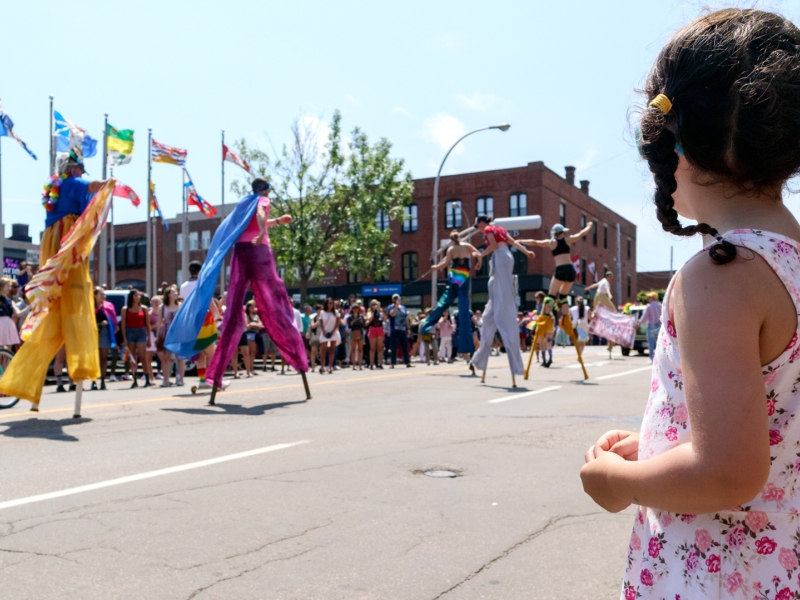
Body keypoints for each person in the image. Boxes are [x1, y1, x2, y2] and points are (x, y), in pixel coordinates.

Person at [580, 9, 800, 598]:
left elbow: (727, 470)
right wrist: (656, 451)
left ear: (675, 145)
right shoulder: (789, 264)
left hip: (718, 576)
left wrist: (619, 479)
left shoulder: (722, 275)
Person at [165, 178, 308, 393]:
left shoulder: (243, 205)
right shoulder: (261, 200)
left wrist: (276, 222)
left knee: (233, 311)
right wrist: (261, 233)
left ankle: (214, 377)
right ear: (265, 191)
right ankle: (297, 356)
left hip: (240, 254)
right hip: (259, 252)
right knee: (275, 303)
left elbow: (255, 220)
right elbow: (260, 214)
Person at [0, 149, 110, 408]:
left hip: (53, 244)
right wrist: (109, 183)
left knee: (56, 310)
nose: (82, 174)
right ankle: (77, 374)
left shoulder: (57, 188)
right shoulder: (72, 183)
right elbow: (91, 186)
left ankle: (29, 387)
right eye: (80, 169)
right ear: (73, 169)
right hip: (67, 246)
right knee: (75, 299)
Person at [469, 216, 535, 381]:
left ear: (482, 223)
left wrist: (480, 255)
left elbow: (493, 246)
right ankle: (498, 303)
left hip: (500, 256)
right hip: (507, 256)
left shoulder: (489, 230)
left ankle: (500, 304)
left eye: (478, 225)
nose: (478, 228)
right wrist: (526, 252)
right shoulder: (502, 230)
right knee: (500, 287)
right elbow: (513, 242)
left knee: (501, 289)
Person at [421, 231, 482, 361]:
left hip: (454, 273)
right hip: (464, 274)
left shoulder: (451, 248)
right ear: (459, 237)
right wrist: (479, 262)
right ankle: (466, 347)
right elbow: (478, 253)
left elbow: (445, 264)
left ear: (451, 239)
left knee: (445, 300)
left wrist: (435, 267)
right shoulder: (467, 246)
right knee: (464, 306)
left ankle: (426, 325)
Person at [520, 222, 592, 300]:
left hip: (561, 269)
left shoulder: (551, 243)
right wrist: (589, 226)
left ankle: (546, 312)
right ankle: (565, 312)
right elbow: (581, 234)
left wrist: (520, 241)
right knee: (563, 296)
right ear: (563, 232)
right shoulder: (568, 240)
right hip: (571, 269)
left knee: (551, 295)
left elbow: (534, 242)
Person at [180, 260, 220, 389]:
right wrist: (217, 315)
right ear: (201, 270)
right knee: (211, 353)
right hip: (204, 319)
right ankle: (215, 380)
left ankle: (203, 380)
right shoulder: (202, 283)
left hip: (190, 322)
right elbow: (209, 302)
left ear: (189, 271)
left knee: (200, 354)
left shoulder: (183, 286)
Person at [121, 290, 153, 388]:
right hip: (130, 332)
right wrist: (124, 338)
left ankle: (147, 378)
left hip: (141, 332)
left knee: (143, 357)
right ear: (131, 297)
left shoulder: (144, 308)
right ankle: (135, 379)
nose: (138, 297)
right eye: (136, 295)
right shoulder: (125, 309)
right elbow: (123, 325)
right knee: (133, 359)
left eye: (139, 295)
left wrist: (149, 339)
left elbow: (147, 324)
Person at [157, 285, 186, 387]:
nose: (176, 293)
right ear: (168, 294)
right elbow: (159, 321)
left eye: (176, 292)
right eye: (173, 292)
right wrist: (157, 336)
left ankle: (180, 379)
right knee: (166, 357)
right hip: (166, 332)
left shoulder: (180, 305)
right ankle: (166, 380)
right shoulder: (162, 307)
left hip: (178, 332)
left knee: (180, 357)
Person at [585, 271, 616, 356]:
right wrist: (609, 295)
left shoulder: (602, 280)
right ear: (608, 276)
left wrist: (589, 287)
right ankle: (612, 316)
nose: (611, 278)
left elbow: (596, 285)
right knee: (613, 309)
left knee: (597, 310)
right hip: (602, 297)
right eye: (610, 276)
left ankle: (594, 315)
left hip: (596, 297)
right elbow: (607, 289)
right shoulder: (606, 282)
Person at [92, 287, 117, 391]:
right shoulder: (90, 306)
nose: (103, 296)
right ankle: (93, 381)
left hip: (104, 333)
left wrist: (107, 323)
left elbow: (114, 320)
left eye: (104, 294)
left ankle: (102, 381)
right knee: (94, 359)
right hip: (92, 334)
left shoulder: (109, 306)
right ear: (95, 295)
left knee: (103, 358)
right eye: (101, 294)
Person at [388, 293, 414, 369]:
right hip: (394, 330)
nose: (397, 300)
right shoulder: (390, 307)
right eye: (395, 298)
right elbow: (392, 314)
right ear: (393, 300)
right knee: (394, 347)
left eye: (398, 298)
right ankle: (392, 363)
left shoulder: (403, 307)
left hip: (402, 330)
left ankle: (407, 362)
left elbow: (406, 319)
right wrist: (396, 306)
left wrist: (408, 328)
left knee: (405, 347)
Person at [317, 297, 341, 374]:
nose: (331, 304)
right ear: (326, 304)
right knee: (323, 350)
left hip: (333, 332)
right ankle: (322, 366)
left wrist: (333, 331)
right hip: (325, 332)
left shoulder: (336, 312)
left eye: (332, 303)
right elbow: (320, 322)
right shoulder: (322, 312)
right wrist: (323, 331)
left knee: (332, 350)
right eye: (329, 303)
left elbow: (337, 323)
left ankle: (330, 366)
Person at [638, 292, 662, 363]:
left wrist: (639, 323)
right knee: (659, 343)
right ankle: (660, 359)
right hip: (659, 326)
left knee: (651, 343)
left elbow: (644, 318)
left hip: (651, 326)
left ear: (652, 298)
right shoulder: (660, 305)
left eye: (649, 297)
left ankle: (652, 359)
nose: (648, 299)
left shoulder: (649, 306)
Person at [0, 278, 21, 347]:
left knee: (9, 347)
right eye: (7, 286)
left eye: (10, 286)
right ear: (2, 286)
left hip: (9, 324)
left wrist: (29, 306)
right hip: (1, 324)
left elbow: (18, 313)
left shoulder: (10, 301)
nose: (9, 288)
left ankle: (6, 358)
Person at [366, 300, 385, 369]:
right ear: (371, 306)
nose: (374, 306)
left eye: (376, 304)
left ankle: (380, 363)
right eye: (373, 304)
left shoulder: (380, 312)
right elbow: (369, 319)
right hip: (372, 329)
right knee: (372, 348)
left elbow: (385, 319)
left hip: (379, 329)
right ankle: (371, 364)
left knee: (380, 348)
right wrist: (374, 312)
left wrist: (381, 311)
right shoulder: (369, 312)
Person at [346, 304, 365, 370]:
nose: (355, 310)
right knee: (353, 349)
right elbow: (349, 326)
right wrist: (353, 321)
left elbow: (364, 325)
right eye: (354, 308)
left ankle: (360, 364)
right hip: (353, 333)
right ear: (352, 309)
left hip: (360, 333)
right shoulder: (349, 318)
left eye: (356, 308)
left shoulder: (361, 317)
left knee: (360, 349)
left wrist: (361, 322)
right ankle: (354, 364)